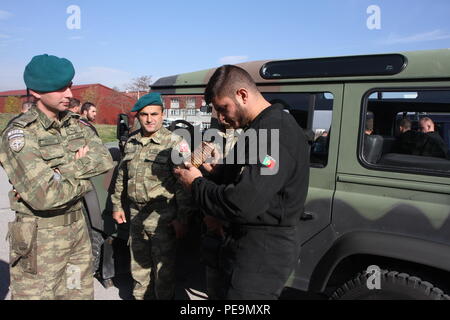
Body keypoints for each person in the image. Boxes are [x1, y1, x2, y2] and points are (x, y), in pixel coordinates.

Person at [174, 65, 310, 299]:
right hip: (245, 244)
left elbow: (243, 202)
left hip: (262, 252)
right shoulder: (258, 129)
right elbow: (249, 180)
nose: (221, 117)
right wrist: (218, 172)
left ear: (242, 95)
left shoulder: (273, 130)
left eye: (223, 108)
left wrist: (195, 184)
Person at [0, 54, 114, 300]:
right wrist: (83, 176)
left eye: (70, 85)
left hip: (77, 231)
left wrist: (61, 173)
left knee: (78, 295)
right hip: (39, 239)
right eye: (60, 87)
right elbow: (44, 196)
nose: (69, 93)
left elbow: (104, 159)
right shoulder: (20, 134)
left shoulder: (76, 124)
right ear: (37, 92)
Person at [111, 92, 193, 300]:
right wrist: (117, 206)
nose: (149, 119)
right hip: (136, 214)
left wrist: (182, 219)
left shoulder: (175, 143)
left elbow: (184, 185)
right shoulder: (132, 142)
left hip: (162, 218)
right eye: (144, 115)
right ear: (138, 117)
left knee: (163, 274)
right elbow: (122, 176)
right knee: (138, 271)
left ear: (162, 114)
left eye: (154, 114)